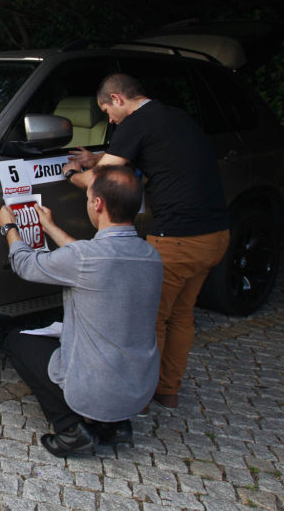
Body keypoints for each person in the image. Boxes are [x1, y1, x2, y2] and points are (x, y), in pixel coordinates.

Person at [62, 73, 230, 409]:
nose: (109, 120)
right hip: (215, 236)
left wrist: (72, 173)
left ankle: (135, 394)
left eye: (108, 111)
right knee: (181, 315)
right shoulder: (173, 116)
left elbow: (101, 183)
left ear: (119, 99)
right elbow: (153, 155)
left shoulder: (135, 123)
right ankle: (167, 390)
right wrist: (98, 157)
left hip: (176, 240)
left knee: (149, 319)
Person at [0, 165, 163, 457]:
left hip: (94, 390)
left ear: (97, 204)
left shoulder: (86, 259)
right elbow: (84, 258)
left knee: (18, 341)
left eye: (88, 196)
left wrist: (9, 228)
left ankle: (70, 429)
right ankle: (116, 426)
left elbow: (25, 265)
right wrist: (49, 226)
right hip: (139, 390)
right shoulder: (151, 255)